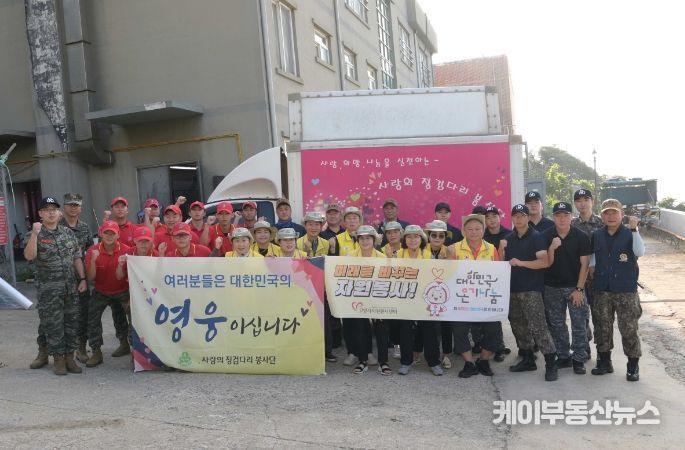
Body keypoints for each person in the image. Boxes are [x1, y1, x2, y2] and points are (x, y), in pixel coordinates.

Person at [24, 196, 88, 375]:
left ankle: (70, 358)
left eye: (54, 209)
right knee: (53, 325)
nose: (51, 213)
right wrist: (35, 234)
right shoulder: (35, 234)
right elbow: (29, 256)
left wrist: (83, 279)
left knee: (71, 323)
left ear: (58, 212)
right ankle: (58, 360)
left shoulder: (67, 233)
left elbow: (76, 257)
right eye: (47, 210)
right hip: (49, 291)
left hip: (70, 288)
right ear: (40, 214)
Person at [500, 204, 558, 381]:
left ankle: (551, 363)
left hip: (531, 289)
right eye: (516, 216)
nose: (519, 219)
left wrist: (521, 263)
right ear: (512, 218)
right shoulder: (508, 239)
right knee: (518, 326)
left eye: (522, 216)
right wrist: (501, 249)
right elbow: (502, 265)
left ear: (527, 218)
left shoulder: (536, 237)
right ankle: (527, 359)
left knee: (538, 327)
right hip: (513, 289)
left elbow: (544, 262)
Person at [590, 199, 645, 381]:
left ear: (622, 214)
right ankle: (605, 362)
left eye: (614, 212)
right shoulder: (597, 235)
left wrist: (634, 229)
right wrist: (592, 270)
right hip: (602, 288)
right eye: (607, 213)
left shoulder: (630, 233)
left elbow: (639, 251)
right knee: (602, 327)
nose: (611, 216)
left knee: (628, 328)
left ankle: (633, 366)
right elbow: (593, 257)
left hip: (625, 289)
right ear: (602, 216)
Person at [542, 202, 591, 375]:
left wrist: (579, 289)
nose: (562, 219)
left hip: (574, 287)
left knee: (579, 324)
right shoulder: (546, 235)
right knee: (556, 324)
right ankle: (563, 356)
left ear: (571, 216)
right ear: (553, 217)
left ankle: (579, 359)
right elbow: (545, 262)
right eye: (558, 215)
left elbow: (585, 265)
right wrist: (552, 247)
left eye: (565, 215)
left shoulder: (581, 236)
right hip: (552, 287)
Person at [450, 214, 502, 378]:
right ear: (464, 230)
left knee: (494, 330)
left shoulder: (491, 249)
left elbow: (498, 273)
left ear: (483, 230)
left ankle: (484, 360)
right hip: (462, 299)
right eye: (470, 229)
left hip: (486, 298)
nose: (474, 232)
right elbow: (448, 274)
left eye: (477, 229)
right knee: (459, 330)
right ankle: (469, 363)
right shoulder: (453, 249)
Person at [396, 225, 443, 376]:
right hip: (404, 299)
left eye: (416, 236)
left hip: (425, 299)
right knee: (405, 331)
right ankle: (405, 362)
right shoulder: (397, 254)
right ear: (404, 239)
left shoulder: (428, 255)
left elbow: (435, 277)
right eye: (409, 237)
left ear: (421, 239)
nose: (412, 240)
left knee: (429, 331)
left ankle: (434, 362)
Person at [84, 221, 131, 368]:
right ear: (100, 234)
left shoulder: (127, 250)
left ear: (118, 235)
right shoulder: (93, 251)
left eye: (112, 233)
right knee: (92, 319)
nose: (109, 236)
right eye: (106, 233)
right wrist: (93, 260)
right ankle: (96, 351)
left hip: (122, 290)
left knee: (130, 317)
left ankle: (128, 346)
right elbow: (90, 277)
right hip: (101, 291)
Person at [346, 226, 392, 375]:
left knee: (381, 330)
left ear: (374, 240)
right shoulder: (350, 256)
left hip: (378, 299)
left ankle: (383, 362)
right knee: (360, 328)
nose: (365, 241)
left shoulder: (382, 257)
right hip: (358, 298)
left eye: (368, 238)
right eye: (361, 238)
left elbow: (388, 279)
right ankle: (362, 361)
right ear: (357, 240)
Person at [58, 193, 96, 364]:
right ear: (64, 206)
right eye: (70, 204)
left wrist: (86, 277)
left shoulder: (85, 228)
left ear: (80, 208)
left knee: (83, 314)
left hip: (80, 279)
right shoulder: (56, 225)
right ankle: (55, 351)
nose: (74, 208)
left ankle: (81, 347)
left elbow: (89, 251)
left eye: (77, 205)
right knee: (57, 315)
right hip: (59, 278)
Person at [572, 188, 603, 359]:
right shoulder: (572, 225)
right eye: (579, 200)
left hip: (598, 276)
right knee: (581, 315)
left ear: (592, 202)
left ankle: (603, 353)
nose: (582, 204)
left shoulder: (602, 222)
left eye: (586, 200)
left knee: (600, 316)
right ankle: (584, 348)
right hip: (579, 277)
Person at [425, 220, 453, 369]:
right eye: (434, 235)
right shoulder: (422, 250)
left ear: (445, 237)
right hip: (425, 294)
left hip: (445, 293)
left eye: (441, 236)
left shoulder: (450, 251)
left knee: (446, 325)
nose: (437, 238)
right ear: (428, 236)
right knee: (430, 327)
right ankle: (427, 355)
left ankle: (446, 354)